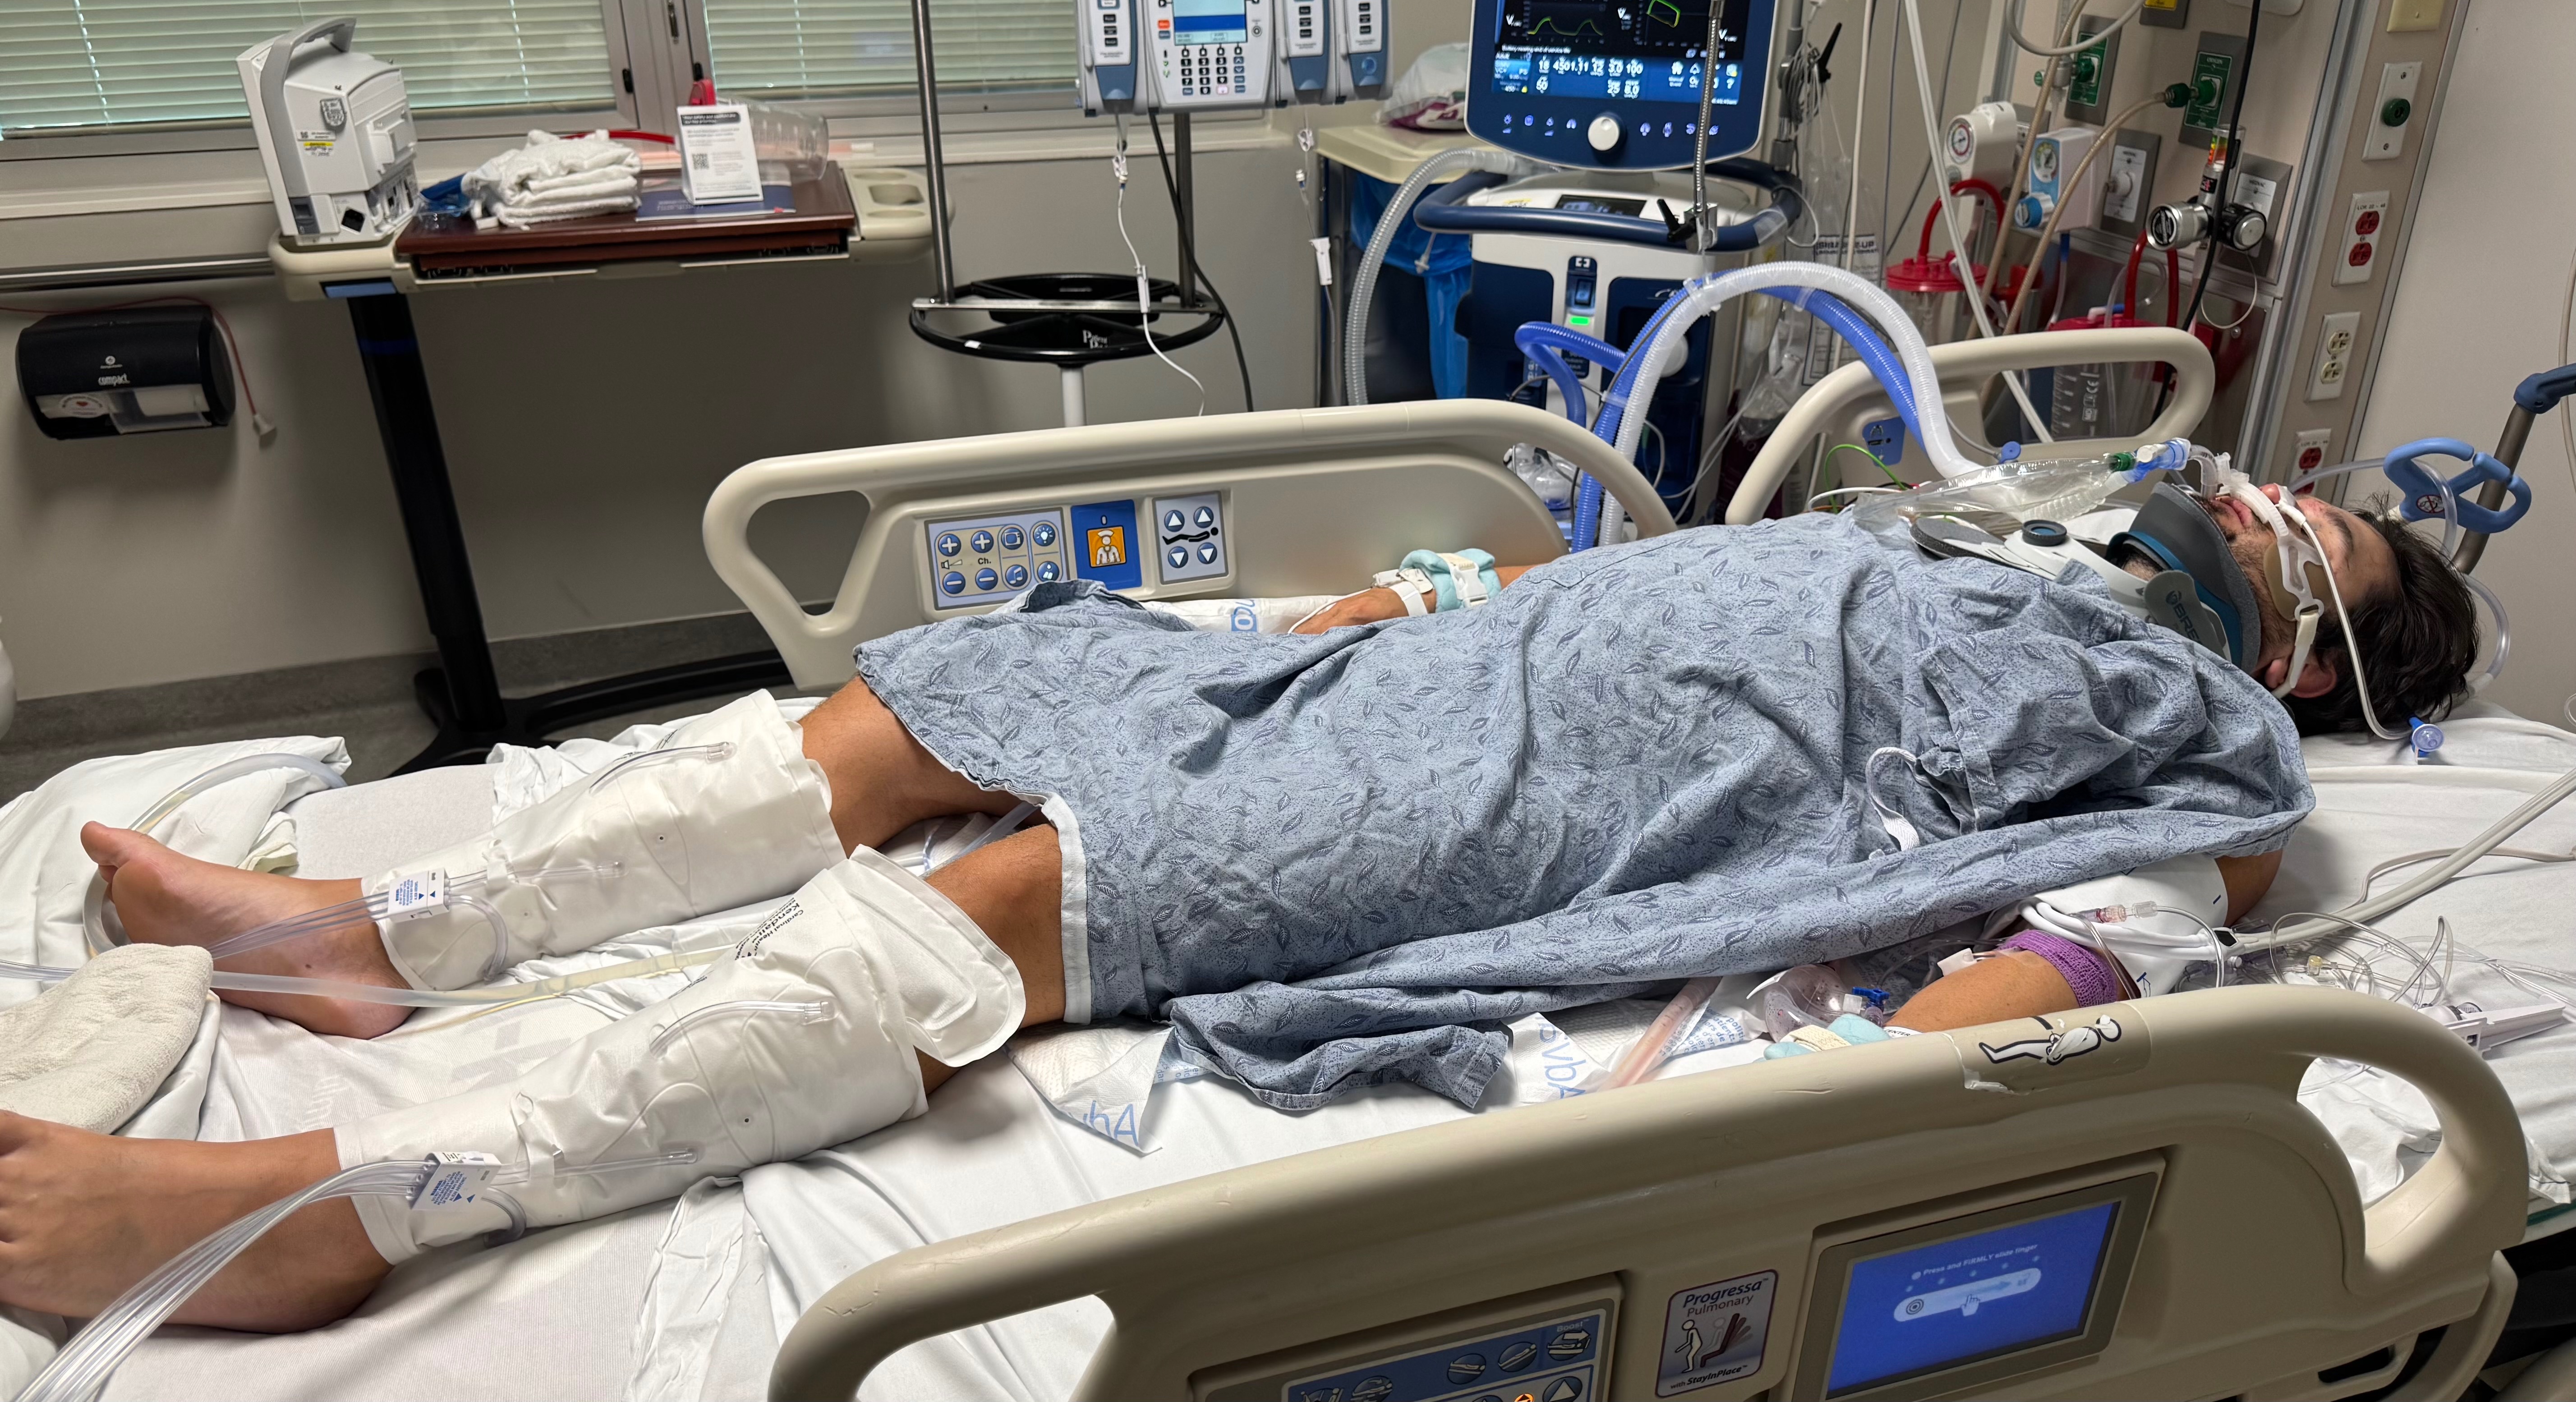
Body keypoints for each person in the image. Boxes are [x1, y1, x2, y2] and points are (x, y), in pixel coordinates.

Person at [0, 481, 2476, 1333]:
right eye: (2293, 487)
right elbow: (1675, 577)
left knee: (1049, 886)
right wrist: (1402, 612)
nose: (2263, 509)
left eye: (2322, 544)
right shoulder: (1965, 537)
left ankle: (352, 1203)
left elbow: (2060, 987)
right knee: (953, 691)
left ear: (2319, 659)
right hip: (1454, 664)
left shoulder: (2201, 783)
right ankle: (373, 941)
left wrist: (1791, 1093)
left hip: (1557, 798)